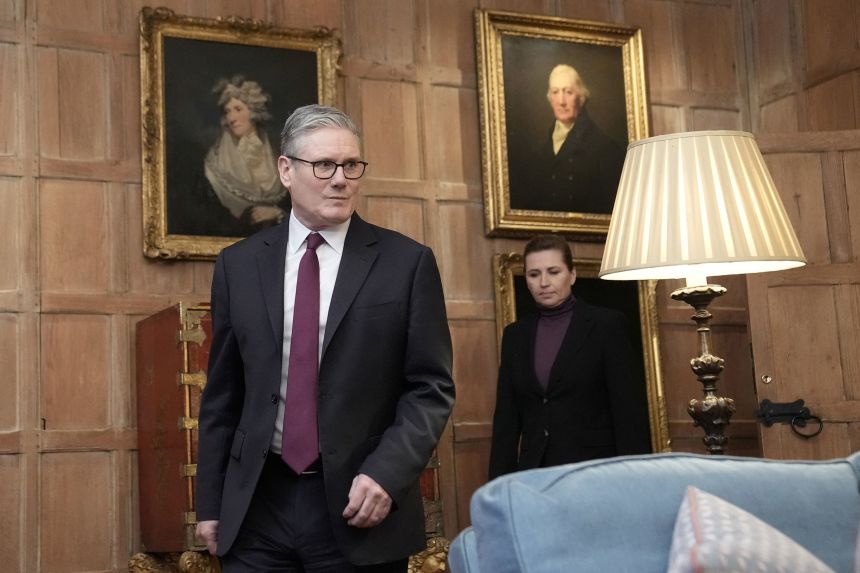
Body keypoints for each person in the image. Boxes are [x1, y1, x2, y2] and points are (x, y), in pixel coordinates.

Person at [195, 104, 455, 572]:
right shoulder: (238, 265)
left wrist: (386, 474)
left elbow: (430, 388)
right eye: (324, 165)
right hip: (257, 507)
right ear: (286, 170)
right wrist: (211, 503)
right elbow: (223, 395)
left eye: (351, 165)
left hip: (358, 509)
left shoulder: (406, 263)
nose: (340, 179)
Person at [488, 234, 650, 480]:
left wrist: (636, 481)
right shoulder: (515, 336)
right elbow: (506, 422)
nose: (544, 282)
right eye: (534, 274)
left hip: (597, 474)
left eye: (553, 272)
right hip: (535, 476)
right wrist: (498, 488)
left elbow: (628, 413)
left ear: (572, 275)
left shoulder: (607, 326)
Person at [509, 64, 625, 215]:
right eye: (555, 92)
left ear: (581, 98)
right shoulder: (539, 150)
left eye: (568, 92)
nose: (561, 101)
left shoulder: (605, 150)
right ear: (550, 98)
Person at [201, 76, 291, 235]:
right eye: (227, 111)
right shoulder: (214, 163)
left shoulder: (278, 155)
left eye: (238, 109)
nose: (231, 118)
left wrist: (277, 213)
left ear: (254, 112)